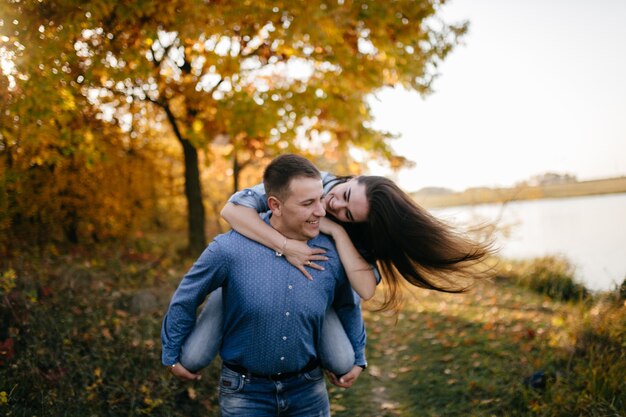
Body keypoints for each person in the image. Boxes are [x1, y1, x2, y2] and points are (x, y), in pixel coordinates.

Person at [178, 158, 493, 378]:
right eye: (344, 195)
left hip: (313, 291)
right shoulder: (307, 183)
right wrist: (286, 247)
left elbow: (365, 290)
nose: (332, 205)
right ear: (353, 178)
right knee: (192, 359)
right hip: (252, 283)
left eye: (348, 214)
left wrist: (338, 231)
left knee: (343, 364)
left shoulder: (350, 229)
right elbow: (231, 211)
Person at [161, 154, 367, 416]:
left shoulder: (332, 253)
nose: (321, 211)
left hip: (308, 391)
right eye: (308, 203)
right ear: (275, 205)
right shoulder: (229, 249)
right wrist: (170, 353)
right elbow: (186, 297)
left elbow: (348, 305)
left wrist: (358, 357)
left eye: (320, 199)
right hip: (244, 394)